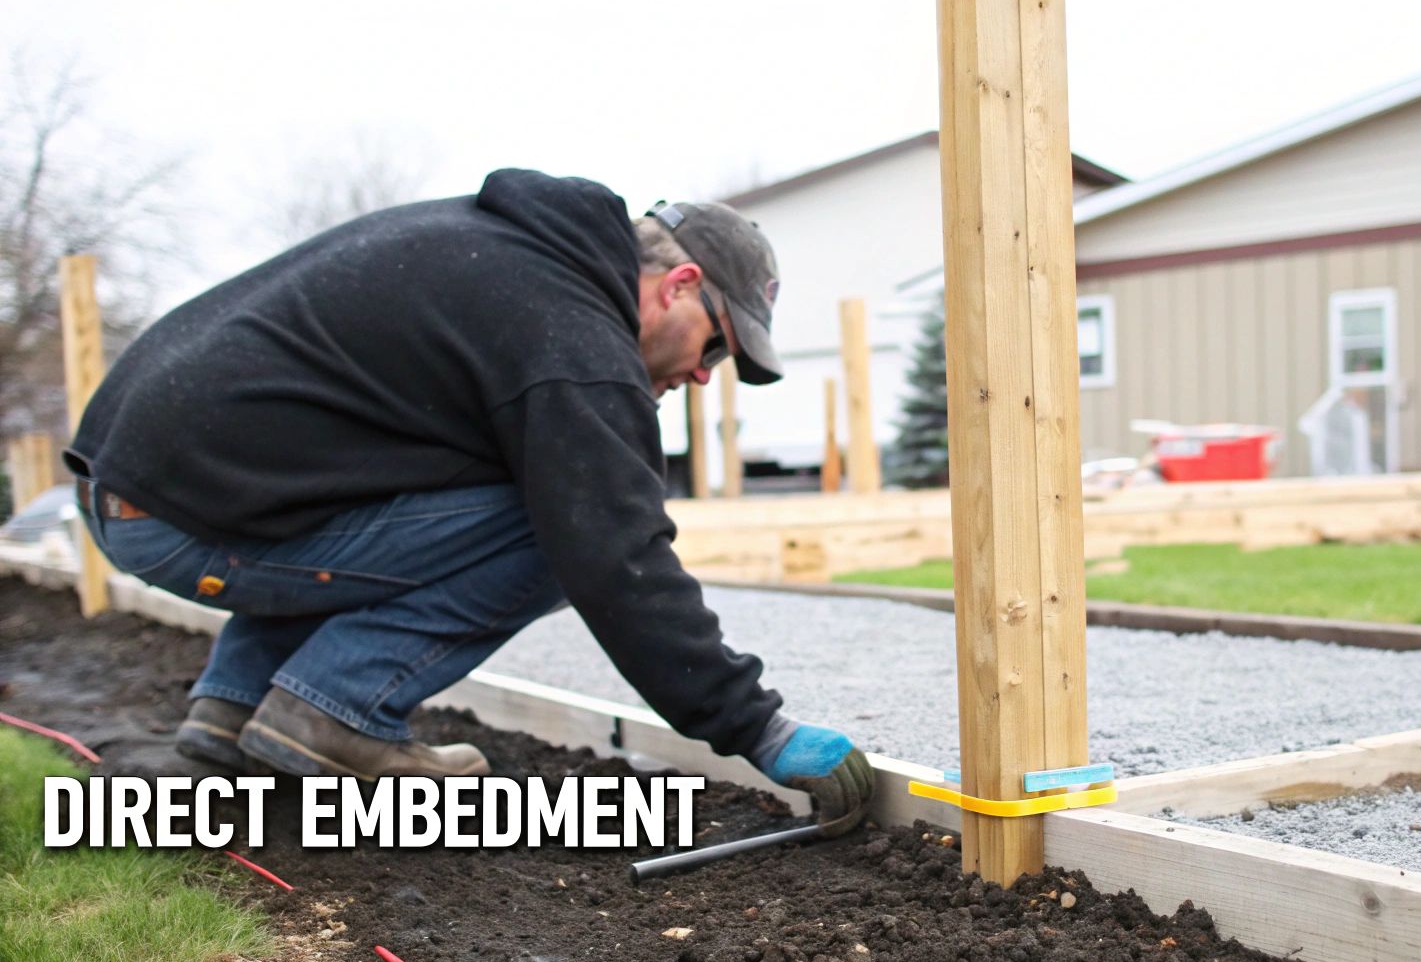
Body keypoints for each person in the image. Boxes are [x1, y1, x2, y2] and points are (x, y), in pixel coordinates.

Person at [64, 168, 875, 835]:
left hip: (156, 492)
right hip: (181, 518)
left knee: (487, 499)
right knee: (560, 527)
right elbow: (618, 557)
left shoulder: (508, 255)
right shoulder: (571, 335)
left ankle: (231, 717)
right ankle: (335, 711)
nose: (703, 376)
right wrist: (757, 729)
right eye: (715, 347)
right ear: (680, 285)